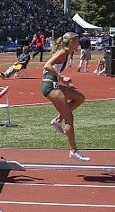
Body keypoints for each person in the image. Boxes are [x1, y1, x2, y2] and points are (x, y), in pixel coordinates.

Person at [42, 32, 90, 161]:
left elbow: (53, 70)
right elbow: (47, 65)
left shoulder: (68, 52)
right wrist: (62, 77)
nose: (79, 43)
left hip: (54, 84)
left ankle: (57, 120)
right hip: (50, 86)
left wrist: (65, 82)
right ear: (72, 41)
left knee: (80, 98)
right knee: (69, 118)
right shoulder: (63, 52)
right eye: (77, 40)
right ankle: (74, 150)